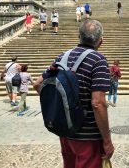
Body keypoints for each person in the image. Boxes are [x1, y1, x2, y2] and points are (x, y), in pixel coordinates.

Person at [33, 19, 114, 168]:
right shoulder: (98, 60)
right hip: (88, 137)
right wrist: (107, 140)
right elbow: (98, 103)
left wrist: (59, 107)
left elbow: (38, 84)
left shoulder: (61, 57)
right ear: (101, 41)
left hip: (65, 132)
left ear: (79, 36)